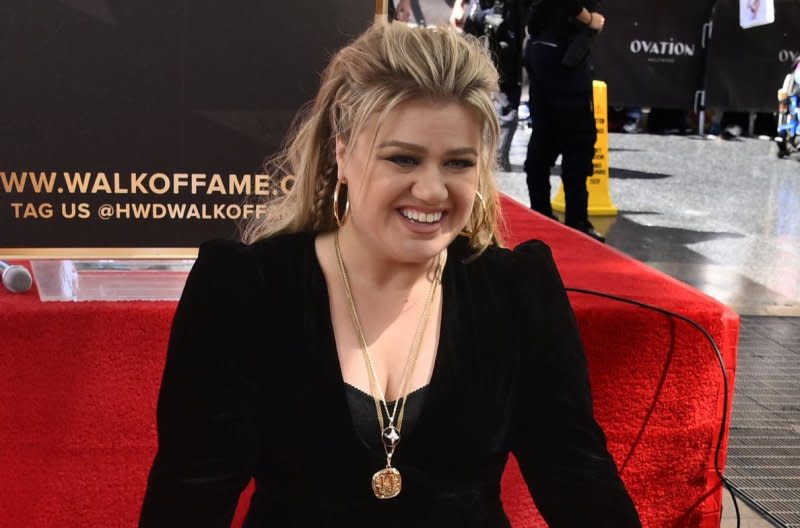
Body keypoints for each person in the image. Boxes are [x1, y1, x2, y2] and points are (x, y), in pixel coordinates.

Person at [139, 21, 640, 527]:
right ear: (343, 152)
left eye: (458, 164)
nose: (431, 191)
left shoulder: (514, 290)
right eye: (403, 159)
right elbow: (189, 495)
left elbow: (578, 476)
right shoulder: (248, 287)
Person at [523, 0, 606, 242]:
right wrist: (589, 20)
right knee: (578, 143)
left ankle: (541, 214)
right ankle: (575, 221)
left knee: (544, 136)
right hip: (562, 55)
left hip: (543, 49)